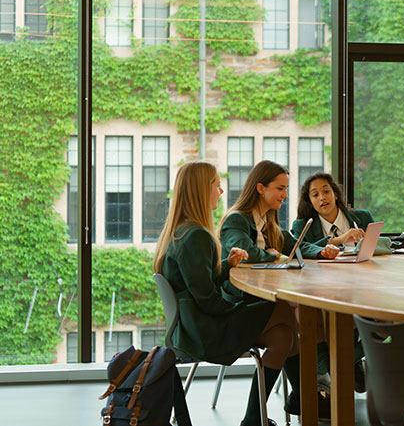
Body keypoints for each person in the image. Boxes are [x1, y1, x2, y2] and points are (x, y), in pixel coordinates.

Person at [153, 161, 306, 426]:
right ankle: (302, 397)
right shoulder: (196, 236)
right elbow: (208, 300)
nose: (221, 192)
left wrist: (227, 266)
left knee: (283, 335)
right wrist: (238, 310)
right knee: (282, 311)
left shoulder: (183, 232)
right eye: (216, 186)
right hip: (203, 330)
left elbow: (200, 281)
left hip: (192, 325)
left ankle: (258, 416)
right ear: (201, 191)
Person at [291, 172, 373, 393]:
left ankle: (341, 363)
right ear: (310, 201)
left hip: (362, 286)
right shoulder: (302, 225)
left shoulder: (363, 217)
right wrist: (337, 240)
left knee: (384, 318)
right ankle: (344, 365)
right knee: (310, 315)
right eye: (315, 194)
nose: (322, 198)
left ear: (335, 194)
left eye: (326, 191)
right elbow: (298, 249)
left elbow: (381, 248)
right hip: (320, 290)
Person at [220, 160, 339, 265]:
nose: (285, 195)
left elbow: (296, 247)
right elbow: (245, 254)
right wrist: (270, 255)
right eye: (280, 188)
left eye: (286, 189)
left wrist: (321, 252)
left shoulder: (267, 224)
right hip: (240, 289)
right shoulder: (236, 220)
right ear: (261, 189)